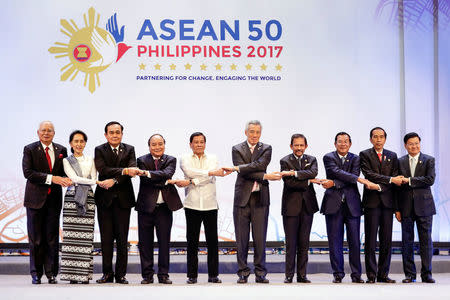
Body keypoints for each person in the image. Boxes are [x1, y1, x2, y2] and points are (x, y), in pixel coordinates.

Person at [224, 120, 282, 284]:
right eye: (251, 132)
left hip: (260, 198)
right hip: (242, 198)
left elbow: (260, 164)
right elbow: (246, 173)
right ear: (246, 133)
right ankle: (243, 272)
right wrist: (264, 175)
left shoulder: (266, 148)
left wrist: (239, 168)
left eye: (257, 132)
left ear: (260, 133)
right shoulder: (237, 148)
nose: (254, 135)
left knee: (260, 238)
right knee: (241, 239)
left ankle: (260, 273)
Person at [320, 132, 377, 283]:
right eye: (340, 141)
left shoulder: (356, 158)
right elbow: (336, 172)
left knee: (355, 242)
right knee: (335, 241)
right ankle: (338, 274)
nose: (343, 144)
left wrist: (334, 183)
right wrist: (358, 179)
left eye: (346, 141)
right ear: (335, 144)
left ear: (350, 144)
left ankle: (356, 274)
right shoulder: (328, 157)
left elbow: (350, 178)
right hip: (333, 204)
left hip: (352, 205)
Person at [173, 132, 230, 284]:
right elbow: (190, 172)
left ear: (205, 144)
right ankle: (192, 275)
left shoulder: (213, 158)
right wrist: (210, 173)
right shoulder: (184, 158)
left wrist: (191, 181)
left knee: (213, 242)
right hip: (192, 204)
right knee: (192, 242)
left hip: (210, 204)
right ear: (190, 144)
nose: (199, 144)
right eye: (196, 142)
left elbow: (203, 177)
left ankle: (213, 275)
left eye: (201, 142)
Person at [22, 121, 71, 284]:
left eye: (49, 130)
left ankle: (51, 273)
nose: (46, 133)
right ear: (38, 132)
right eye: (43, 130)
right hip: (35, 200)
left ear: (54, 133)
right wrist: (52, 179)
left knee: (52, 238)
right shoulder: (29, 149)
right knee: (36, 239)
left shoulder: (61, 150)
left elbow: (65, 172)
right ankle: (36, 273)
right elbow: (28, 173)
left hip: (54, 200)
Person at [94, 121, 142, 284]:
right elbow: (103, 169)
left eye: (117, 132)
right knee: (106, 239)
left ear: (122, 133)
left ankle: (121, 274)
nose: (115, 135)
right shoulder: (99, 149)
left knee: (122, 239)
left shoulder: (130, 149)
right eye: (111, 132)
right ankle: (107, 273)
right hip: (104, 199)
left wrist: (115, 180)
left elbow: (132, 170)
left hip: (124, 199)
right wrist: (123, 171)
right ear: (106, 134)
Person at [136, 134, 183, 284]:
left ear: (164, 144)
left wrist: (149, 174)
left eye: (160, 144)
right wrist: (163, 181)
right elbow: (146, 180)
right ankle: (147, 275)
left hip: (164, 208)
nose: (157, 147)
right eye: (154, 144)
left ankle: (163, 275)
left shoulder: (171, 159)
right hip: (146, 207)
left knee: (164, 243)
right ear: (149, 146)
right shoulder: (141, 160)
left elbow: (168, 173)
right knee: (145, 243)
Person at [60, 130, 105, 284]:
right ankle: (72, 276)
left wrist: (86, 181)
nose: (79, 144)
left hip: (89, 198)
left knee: (86, 238)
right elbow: (73, 178)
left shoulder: (91, 159)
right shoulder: (66, 160)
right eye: (76, 141)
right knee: (71, 237)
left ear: (85, 143)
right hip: (72, 198)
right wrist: (86, 181)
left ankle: (84, 275)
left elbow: (94, 179)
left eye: (82, 141)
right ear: (71, 144)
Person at [359, 127, 402, 283]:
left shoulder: (392, 155)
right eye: (375, 137)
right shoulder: (364, 154)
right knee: (370, 240)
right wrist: (389, 180)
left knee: (386, 240)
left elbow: (397, 179)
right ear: (371, 139)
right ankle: (371, 275)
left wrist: (397, 207)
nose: (378, 139)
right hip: (371, 203)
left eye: (381, 137)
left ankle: (383, 274)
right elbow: (369, 175)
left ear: (385, 139)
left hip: (388, 203)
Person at [279, 134, 322, 283]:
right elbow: (290, 183)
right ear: (291, 146)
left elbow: (313, 172)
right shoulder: (285, 160)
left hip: (307, 206)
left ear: (306, 146)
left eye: (301, 145)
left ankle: (302, 275)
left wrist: (295, 173)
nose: (299, 148)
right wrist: (309, 181)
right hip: (290, 207)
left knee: (304, 242)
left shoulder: (312, 160)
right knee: (291, 243)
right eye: (296, 145)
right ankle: (289, 275)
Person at [396, 132, 436, 283]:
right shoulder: (399, 162)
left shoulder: (429, 160)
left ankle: (427, 274)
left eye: (416, 143)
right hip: (405, 206)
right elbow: (396, 187)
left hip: (425, 206)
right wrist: (396, 209)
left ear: (420, 143)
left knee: (426, 241)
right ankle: (409, 275)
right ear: (405, 146)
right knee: (407, 241)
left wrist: (409, 180)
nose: (414, 146)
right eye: (411, 144)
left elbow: (430, 180)